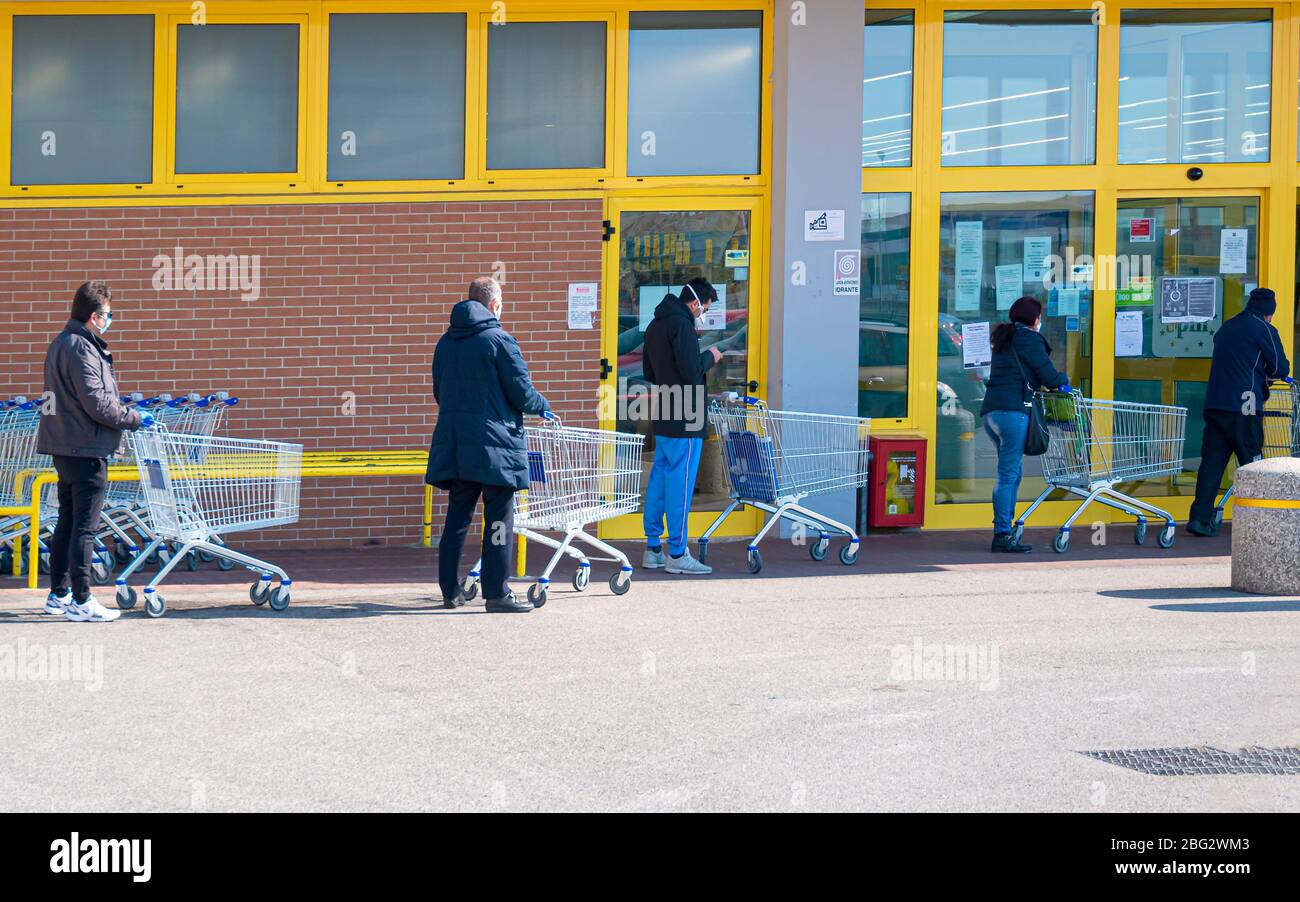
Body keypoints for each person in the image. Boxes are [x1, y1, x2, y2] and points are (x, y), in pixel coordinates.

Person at [426, 277, 550, 614]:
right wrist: (543, 405)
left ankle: (450, 592)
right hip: (496, 446)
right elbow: (522, 394)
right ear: (493, 304)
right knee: (498, 521)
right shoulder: (500, 341)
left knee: (457, 518)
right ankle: (496, 593)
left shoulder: (445, 343)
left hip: (456, 444)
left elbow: (440, 393)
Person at [37, 281, 153, 622]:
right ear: (93, 315)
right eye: (108, 314)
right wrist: (132, 418)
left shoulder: (61, 344)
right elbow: (97, 403)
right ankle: (82, 600)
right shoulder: (82, 348)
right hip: (86, 447)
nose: (110, 320)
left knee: (67, 522)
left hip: (65, 444)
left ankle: (58, 594)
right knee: (84, 528)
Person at [1187, 287, 1291, 536]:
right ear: (1269, 313)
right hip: (1244, 405)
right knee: (1252, 466)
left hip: (1215, 403)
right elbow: (1279, 368)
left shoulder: (1228, 327)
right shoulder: (1264, 329)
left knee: (1212, 464)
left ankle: (1199, 519)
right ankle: (1258, 522)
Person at [640, 277, 723, 574]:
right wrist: (710, 356)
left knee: (660, 482)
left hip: (663, 412)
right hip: (686, 418)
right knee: (681, 486)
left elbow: (649, 371)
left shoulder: (655, 325)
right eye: (705, 307)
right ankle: (677, 552)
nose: (703, 313)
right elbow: (692, 371)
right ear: (694, 302)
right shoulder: (683, 325)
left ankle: (652, 548)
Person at [979, 296, 1070, 554]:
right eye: (1039, 316)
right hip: (1013, 413)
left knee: (1011, 473)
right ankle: (1002, 534)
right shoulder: (1029, 339)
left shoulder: (1004, 338)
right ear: (1034, 319)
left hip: (991, 414)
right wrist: (1064, 379)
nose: (1040, 321)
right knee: (1008, 474)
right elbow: (1050, 377)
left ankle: (1005, 528)